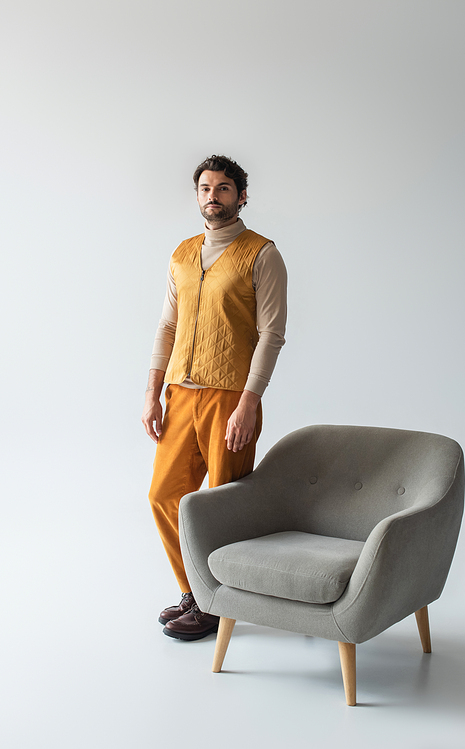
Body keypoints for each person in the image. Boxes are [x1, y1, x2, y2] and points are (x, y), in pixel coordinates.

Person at [142, 155, 287, 641]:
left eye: (224, 188)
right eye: (205, 188)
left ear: (241, 196)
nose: (213, 196)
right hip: (180, 393)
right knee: (165, 495)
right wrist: (151, 392)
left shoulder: (261, 254)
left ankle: (219, 602)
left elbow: (271, 334)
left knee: (225, 504)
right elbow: (167, 325)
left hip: (230, 396)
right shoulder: (182, 254)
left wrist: (250, 400)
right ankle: (198, 592)